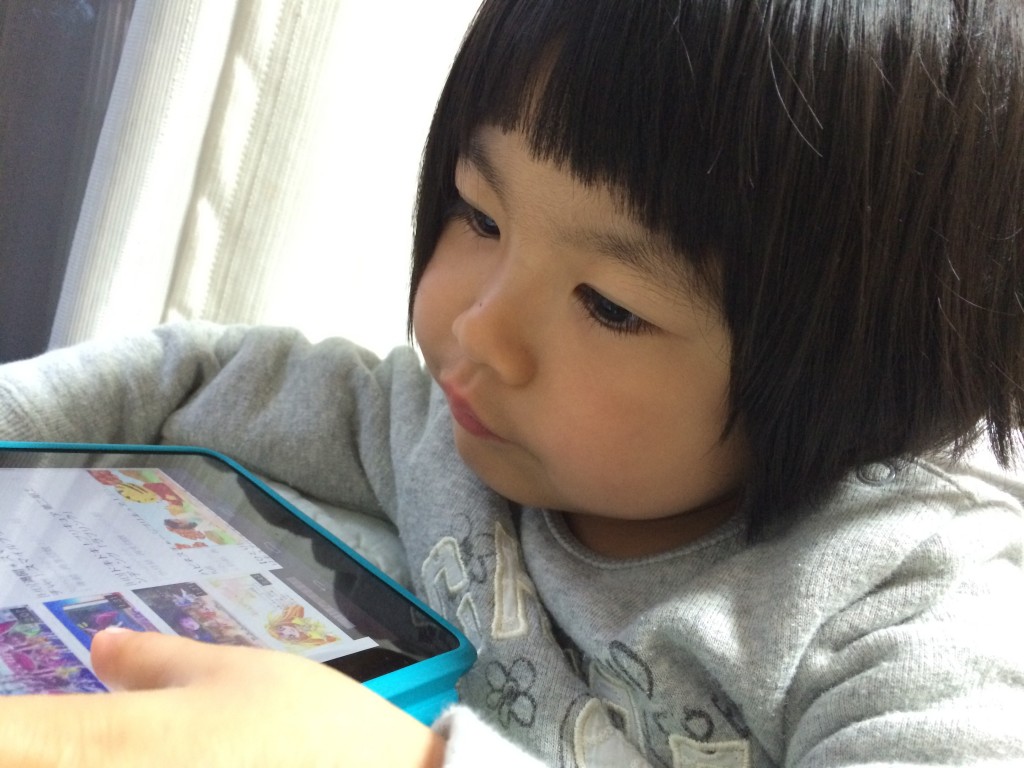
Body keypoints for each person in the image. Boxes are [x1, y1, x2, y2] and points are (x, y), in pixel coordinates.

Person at [1, 0, 1023, 764]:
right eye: (478, 214)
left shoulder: (907, 610)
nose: (476, 330)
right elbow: (193, 376)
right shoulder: (443, 431)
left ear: (866, 373)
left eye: (609, 304)